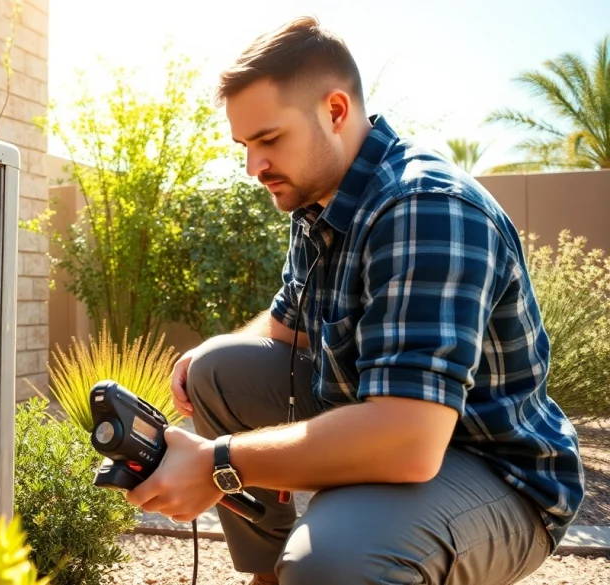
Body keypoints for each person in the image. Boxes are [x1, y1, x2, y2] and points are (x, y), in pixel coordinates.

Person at [123, 15, 586, 585]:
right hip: (388, 423)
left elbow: (410, 441)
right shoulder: (318, 198)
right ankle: (268, 577)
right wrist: (214, 353)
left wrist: (219, 465)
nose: (254, 167)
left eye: (269, 140)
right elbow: (284, 327)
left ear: (336, 111)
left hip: (492, 472)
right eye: (245, 145)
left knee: (332, 559)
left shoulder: (426, 207)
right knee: (217, 370)